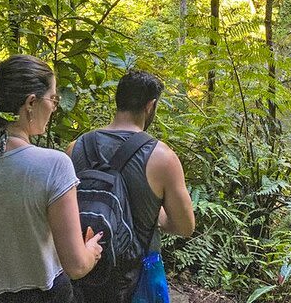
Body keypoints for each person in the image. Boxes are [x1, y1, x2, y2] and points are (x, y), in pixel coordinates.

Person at [0, 55, 103, 303]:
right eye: (53, 99)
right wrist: (92, 250)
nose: (54, 107)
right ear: (31, 102)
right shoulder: (53, 165)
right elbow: (76, 266)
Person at [67, 70, 195, 303]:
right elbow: (185, 226)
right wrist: (154, 214)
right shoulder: (162, 157)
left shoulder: (76, 147)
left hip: (83, 268)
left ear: (118, 100)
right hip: (139, 273)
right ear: (151, 106)